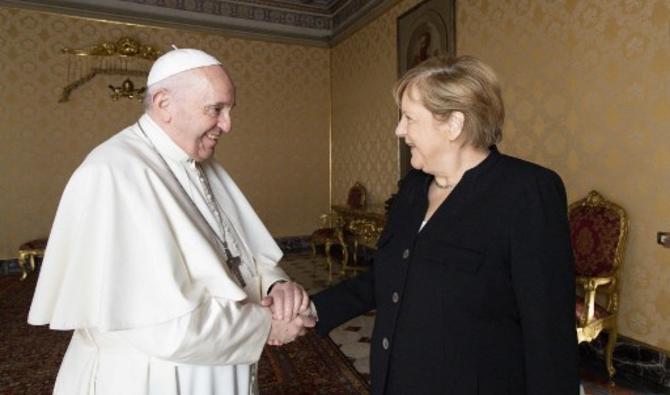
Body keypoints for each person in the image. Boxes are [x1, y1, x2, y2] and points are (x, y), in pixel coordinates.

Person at [28, 48, 314, 395]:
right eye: (216, 109)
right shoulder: (112, 173)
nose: (227, 124)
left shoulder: (200, 163)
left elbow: (239, 252)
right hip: (153, 378)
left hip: (218, 366)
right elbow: (159, 326)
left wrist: (276, 288)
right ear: (163, 103)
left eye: (229, 110)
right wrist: (266, 326)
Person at [312, 55, 579, 394]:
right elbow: (390, 275)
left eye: (409, 118)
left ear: (453, 124)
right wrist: (313, 309)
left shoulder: (526, 191)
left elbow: (548, 329)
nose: (399, 130)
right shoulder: (413, 187)